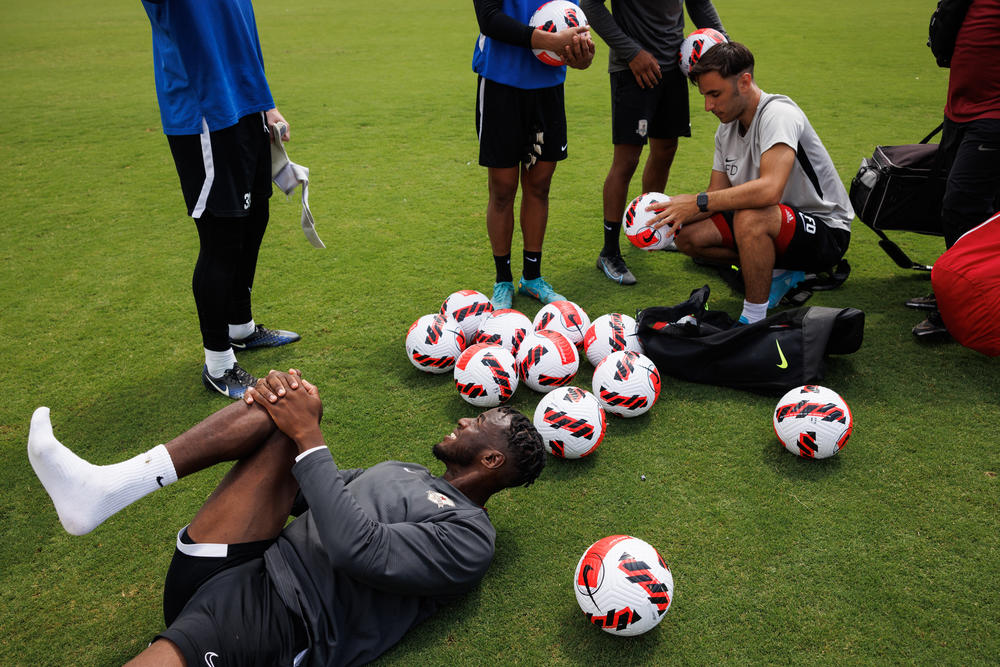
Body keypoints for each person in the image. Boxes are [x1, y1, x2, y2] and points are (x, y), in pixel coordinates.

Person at [27, 369, 545, 666]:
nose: (462, 418)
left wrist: (309, 436)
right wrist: (285, 411)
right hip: (240, 561)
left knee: (299, 426)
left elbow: (357, 549)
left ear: (492, 461)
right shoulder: (405, 469)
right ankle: (106, 489)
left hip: (282, 619)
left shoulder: (470, 538)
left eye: (478, 422)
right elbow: (309, 489)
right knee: (286, 408)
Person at [142, 0, 302, 399]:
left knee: (255, 217)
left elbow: (239, 32)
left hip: (246, 105)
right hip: (204, 117)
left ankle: (240, 328)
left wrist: (266, 102)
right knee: (222, 236)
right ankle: (218, 362)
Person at [648, 42, 853, 324]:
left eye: (715, 94)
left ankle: (753, 319)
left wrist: (697, 201)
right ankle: (778, 271)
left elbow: (770, 190)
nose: (708, 106)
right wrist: (670, 214)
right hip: (775, 221)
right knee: (689, 238)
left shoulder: (778, 114)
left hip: (825, 230)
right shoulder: (726, 129)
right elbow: (716, 194)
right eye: (705, 96)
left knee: (750, 216)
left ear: (744, 81)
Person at [582, 0, 725, 285]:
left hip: (674, 68)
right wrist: (632, 52)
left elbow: (699, 4)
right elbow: (590, 5)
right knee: (627, 159)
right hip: (633, 69)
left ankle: (649, 229)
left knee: (666, 149)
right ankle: (609, 253)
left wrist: (726, 45)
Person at [473, 0, 596, 309]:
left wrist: (580, 55)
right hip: (501, 81)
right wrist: (551, 40)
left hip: (548, 87)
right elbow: (489, 19)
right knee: (502, 188)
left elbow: (572, 20)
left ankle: (532, 277)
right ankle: (503, 280)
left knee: (539, 186)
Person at [910, 0, 1000, 338]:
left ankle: (960, 309)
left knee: (962, 208)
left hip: (991, 117)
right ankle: (958, 296)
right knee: (974, 210)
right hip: (961, 109)